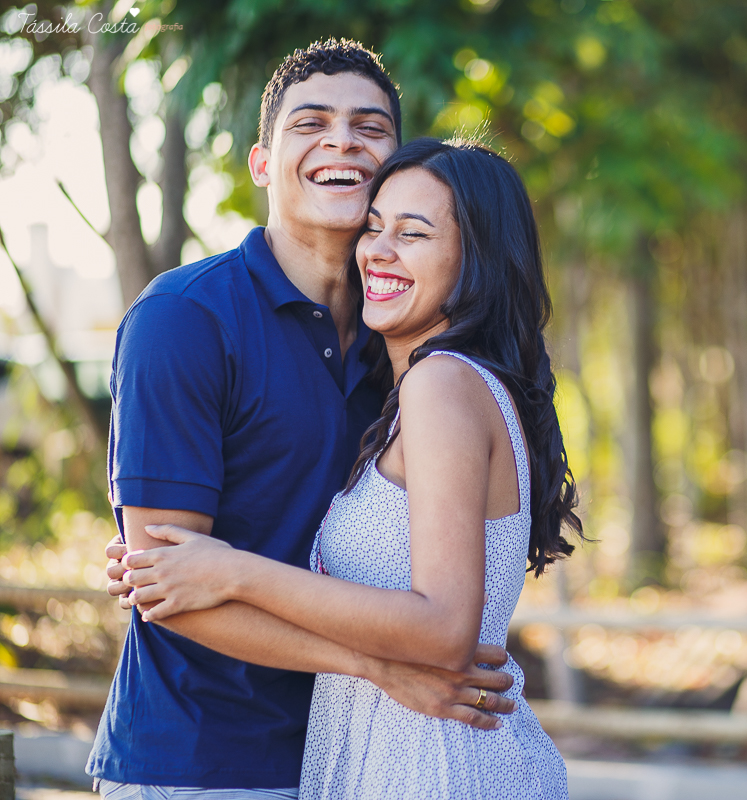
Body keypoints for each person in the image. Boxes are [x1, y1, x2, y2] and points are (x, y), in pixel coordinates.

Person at [90, 41, 516, 799]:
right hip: (203, 762)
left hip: (354, 759)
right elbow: (168, 589)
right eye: (310, 122)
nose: (341, 140)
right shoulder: (183, 320)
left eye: (369, 127)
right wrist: (381, 669)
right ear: (261, 163)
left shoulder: (406, 349)